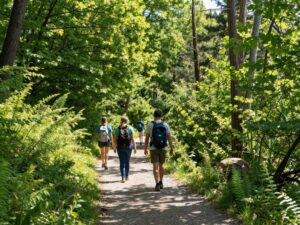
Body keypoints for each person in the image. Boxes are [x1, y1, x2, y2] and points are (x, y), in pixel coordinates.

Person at [144, 109, 174, 191]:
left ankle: (157, 183)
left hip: (153, 148)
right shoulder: (165, 124)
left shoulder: (150, 125)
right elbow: (169, 137)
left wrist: (145, 148)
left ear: (154, 116)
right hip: (163, 148)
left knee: (155, 167)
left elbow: (146, 138)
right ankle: (161, 181)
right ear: (161, 116)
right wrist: (171, 148)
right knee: (161, 165)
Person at [114, 116, 137, 183]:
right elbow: (132, 139)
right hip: (128, 147)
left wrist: (114, 147)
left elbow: (115, 140)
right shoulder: (130, 128)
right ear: (127, 121)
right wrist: (135, 148)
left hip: (120, 147)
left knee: (122, 162)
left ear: (121, 121)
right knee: (127, 161)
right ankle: (127, 176)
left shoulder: (117, 129)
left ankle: (123, 177)